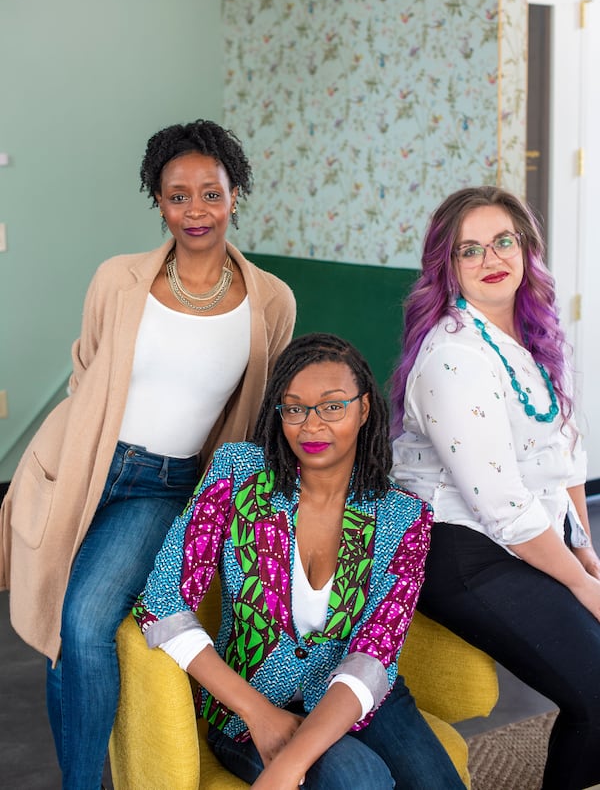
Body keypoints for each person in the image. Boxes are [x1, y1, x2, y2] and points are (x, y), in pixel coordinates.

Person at [0, 119, 296, 790]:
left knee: (84, 619)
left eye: (211, 194)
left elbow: (256, 413)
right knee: (57, 635)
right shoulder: (118, 279)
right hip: (81, 466)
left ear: (235, 194)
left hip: (163, 484)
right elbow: (86, 371)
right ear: (158, 201)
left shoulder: (270, 300)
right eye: (177, 195)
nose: (195, 210)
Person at [135, 333, 464, 790]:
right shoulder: (237, 475)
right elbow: (162, 600)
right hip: (250, 704)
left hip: (357, 695)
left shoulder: (404, 516)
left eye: (332, 406)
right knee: (359, 780)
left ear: (364, 409)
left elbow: (374, 652)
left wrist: (289, 767)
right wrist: (256, 712)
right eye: (294, 408)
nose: (311, 426)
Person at [390, 185, 600, 790]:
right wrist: (583, 585)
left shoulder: (529, 339)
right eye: (470, 250)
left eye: (503, 241)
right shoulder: (454, 356)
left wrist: (585, 550)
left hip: (524, 535)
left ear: (527, 249)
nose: (491, 259)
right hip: (460, 552)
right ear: (448, 268)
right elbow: (501, 508)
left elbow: (567, 463)